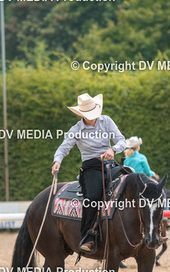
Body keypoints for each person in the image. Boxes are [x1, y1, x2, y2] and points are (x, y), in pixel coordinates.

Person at [52, 93, 126, 253]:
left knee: (132, 183)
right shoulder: (76, 129)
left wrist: (113, 149)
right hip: (91, 167)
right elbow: (64, 147)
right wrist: (57, 161)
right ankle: (88, 236)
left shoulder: (107, 121)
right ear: (82, 114)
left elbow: (122, 140)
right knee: (92, 196)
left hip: (111, 164)